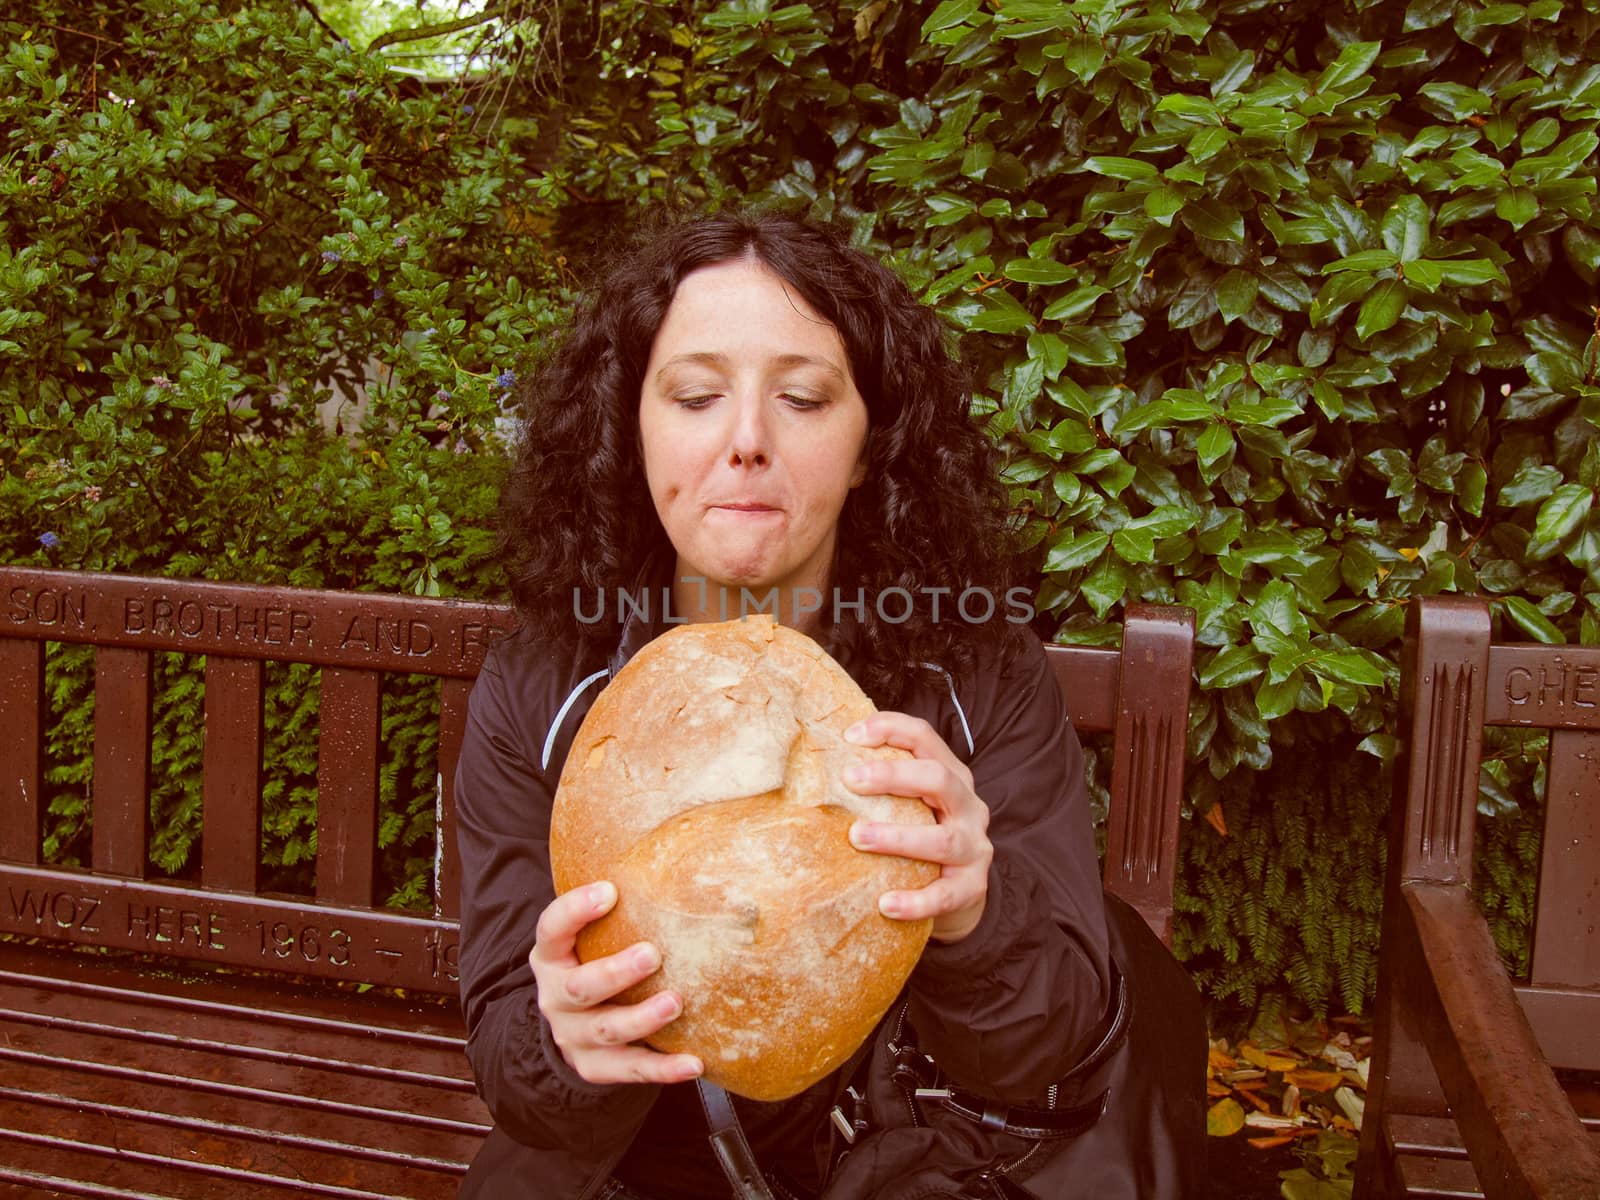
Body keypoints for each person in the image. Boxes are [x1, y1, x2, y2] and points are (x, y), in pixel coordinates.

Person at [454, 211, 1200, 1200]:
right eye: (694, 395)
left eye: (802, 398)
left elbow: (1043, 1046)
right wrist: (566, 1040)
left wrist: (975, 915)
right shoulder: (543, 692)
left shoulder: (975, 679)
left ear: (866, 448)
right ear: (628, 428)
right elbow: (519, 1076)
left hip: (924, 1157)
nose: (747, 440)